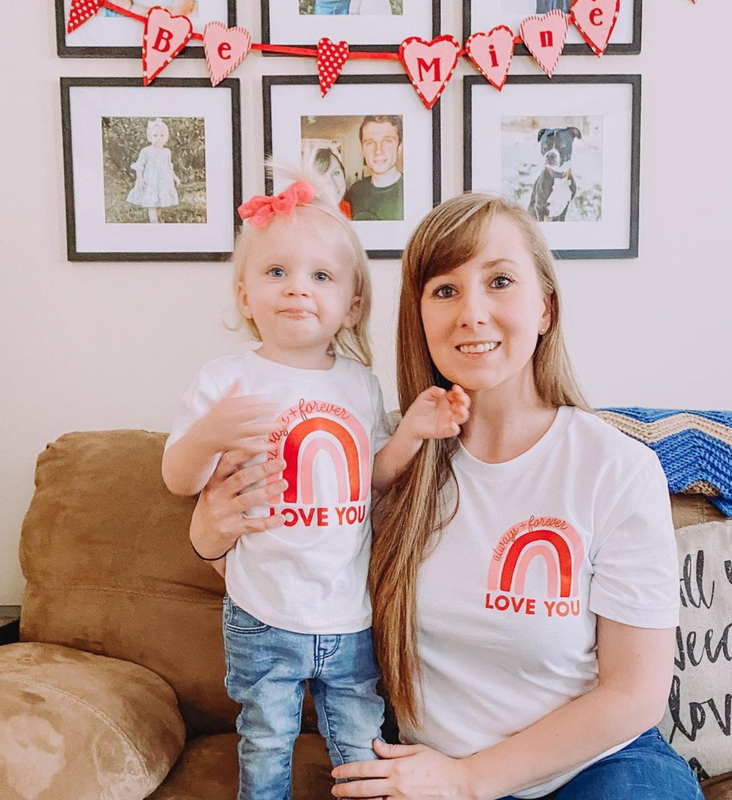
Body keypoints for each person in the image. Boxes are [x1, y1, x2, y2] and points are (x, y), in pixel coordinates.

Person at [189, 193, 703, 800]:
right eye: (445, 290)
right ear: (420, 315)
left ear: (546, 308)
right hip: (421, 767)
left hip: (593, 770)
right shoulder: (382, 451)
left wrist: (469, 779)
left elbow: (634, 694)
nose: (472, 313)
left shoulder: (616, 470)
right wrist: (208, 530)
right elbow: (277, 572)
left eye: (501, 281)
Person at [162, 176, 469, 800]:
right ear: (245, 295)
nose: (299, 287)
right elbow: (178, 478)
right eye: (277, 271)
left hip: (349, 614)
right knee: (267, 737)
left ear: (352, 305)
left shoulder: (360, 386)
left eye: (322, 277)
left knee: (360, 741)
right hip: (262, 608)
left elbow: (372, 478)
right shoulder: (226, 379)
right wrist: (208, 434)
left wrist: (412, 430)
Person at [344, 116, 404, 222]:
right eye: (370, 143)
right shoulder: (355, 191)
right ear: (362, 150)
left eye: (387, 141)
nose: (378, 151)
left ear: (399, 148)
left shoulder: (411, 190)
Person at [126, 118, 180, 224]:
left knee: (159, 200)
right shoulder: (146, 151)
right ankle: (153, 221)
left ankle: (159, 217)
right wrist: (140, 178)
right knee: (151, 201)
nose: (158, 138)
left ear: (166, 137)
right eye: (155, 136)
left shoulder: (167, 152)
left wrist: (175, 177)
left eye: (162, 136)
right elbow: (139, 166)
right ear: (150, 137)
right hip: (151, 180)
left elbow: (169, 166)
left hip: (163, 180)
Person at [309, 145, 352, 218]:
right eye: (321, 176)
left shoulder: (346, 207)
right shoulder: (308, 216)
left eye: (336, 173)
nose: (332, 183)